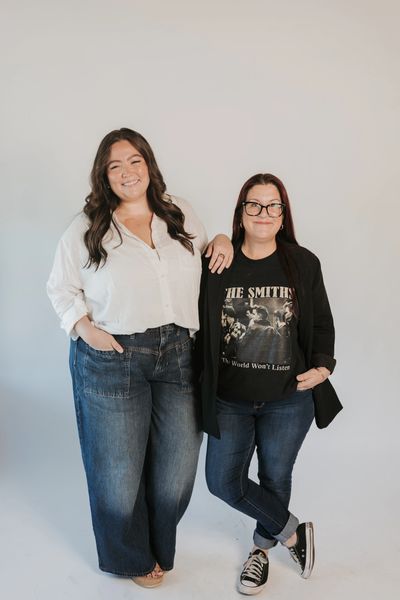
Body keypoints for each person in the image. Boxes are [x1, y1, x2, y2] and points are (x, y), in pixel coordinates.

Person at [47, 128, 233, 588]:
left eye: (135, 161)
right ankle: (130, 557)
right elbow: (60, 287)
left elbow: (207, 258)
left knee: (177, 469)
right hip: (113, 356)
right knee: (118, 471)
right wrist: (85, 329)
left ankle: (158, 545)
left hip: (179, 353)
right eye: (115, 166)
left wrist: (223, 238)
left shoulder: (179, 212)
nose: (127, 172)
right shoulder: (87, 228)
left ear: (148, 164)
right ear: (104, 175)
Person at [197, 173, 342, 595]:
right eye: (254, 204)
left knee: (275, 477)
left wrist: (323, 366)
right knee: (223, 482)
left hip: (288, 400)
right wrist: (218, 238)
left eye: (273, 205)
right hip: (229, 399)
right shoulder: (217, 262)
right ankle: (293, 532)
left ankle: (259, 552)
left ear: (283, 214)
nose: (264, 213)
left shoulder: (303, 263)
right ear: (241, 212)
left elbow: (321, 322)